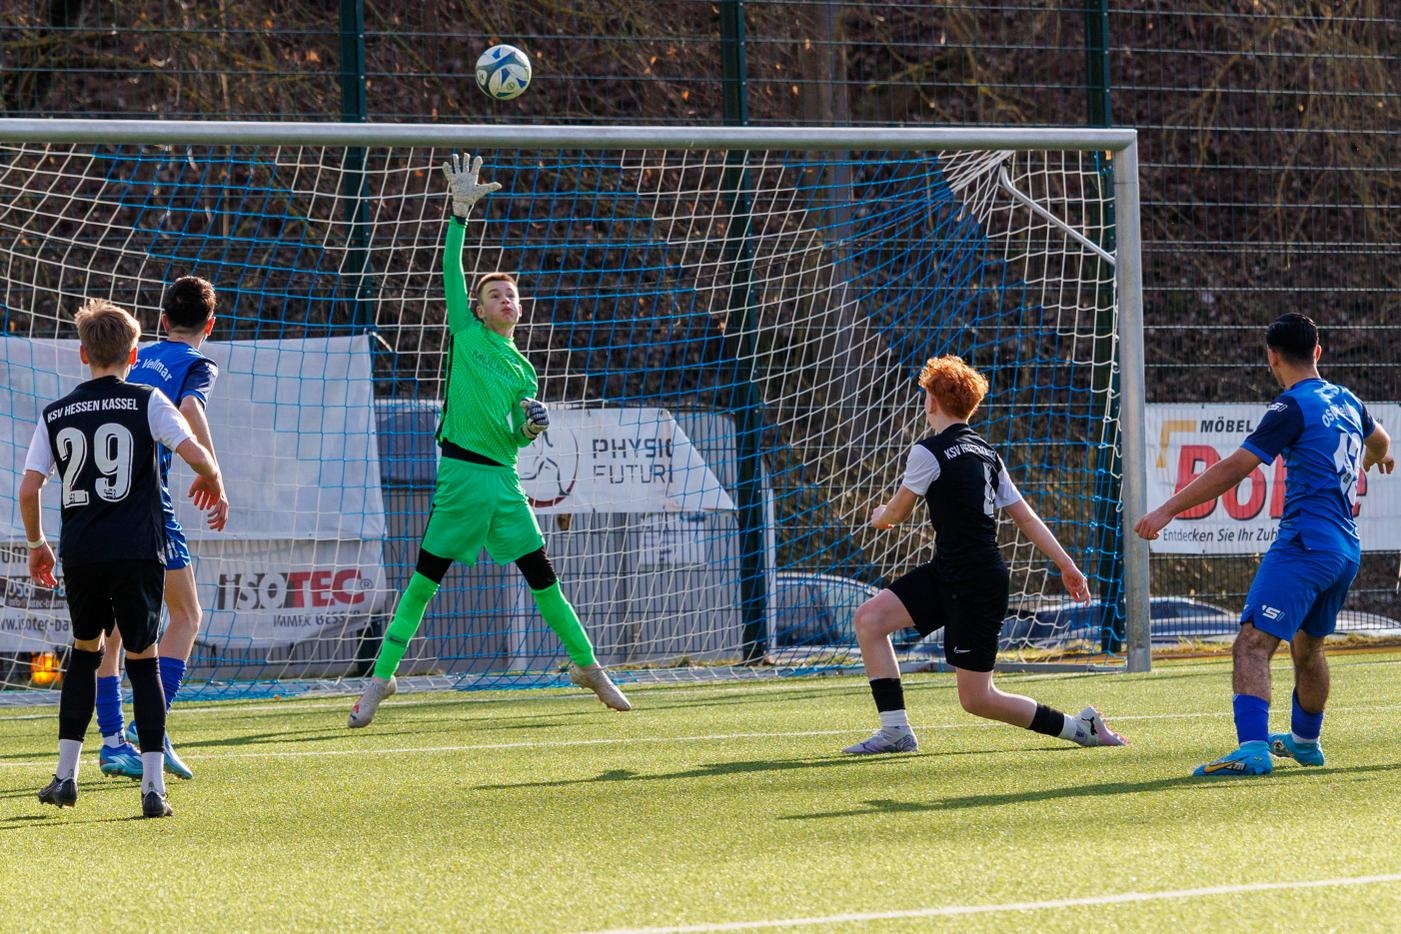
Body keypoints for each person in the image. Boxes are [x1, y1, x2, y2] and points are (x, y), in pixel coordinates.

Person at [348, 154, 630, 727]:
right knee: (422, 586)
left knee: (544, 581)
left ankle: (589, 667)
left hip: (504, 485)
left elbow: (516, 438)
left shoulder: (524, 371)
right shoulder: (466, 332)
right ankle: (382, 679)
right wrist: (459, 214)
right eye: (495, 295)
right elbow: (450, 268)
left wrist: (530, 428)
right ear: (478, 309)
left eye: (511, 295)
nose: (505, 300)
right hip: (460, 478)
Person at [1135, 312, 1392, 777]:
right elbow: (1382, 440)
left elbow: (1235, 467)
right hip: (1344, 550)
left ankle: (1252, 750)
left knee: (1252, 643)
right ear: (1318, 351)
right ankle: (1305, 743)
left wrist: (1168, 509)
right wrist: (1380, 458)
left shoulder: (1291, 406)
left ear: (1271, 356)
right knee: (1308, 648)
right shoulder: (1347, 399)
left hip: (1305, 544)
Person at [842, 354, 1126, 755]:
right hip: (951, 571)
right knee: (870, 620)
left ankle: (1081, 728)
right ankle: (895, 732)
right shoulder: (987, 453)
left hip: (974, 583)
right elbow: (1026, 518)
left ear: (931, 402)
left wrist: (879, 517)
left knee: (978, 698)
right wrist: (1067, 565)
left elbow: (898, 512)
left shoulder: (928, 451)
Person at [20, 299, 224, 818]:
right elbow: (195, 453)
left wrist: (37, 544)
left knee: (85, 653)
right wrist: (211, 477)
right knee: (143, 659)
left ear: (82, 353)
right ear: (134, 354)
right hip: (137, 549)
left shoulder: (56, 412)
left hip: (82, 552)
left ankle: (65, 776)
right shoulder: (148, 400)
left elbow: (28, 489)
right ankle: (153, 788)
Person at [91, 275, 228, 782]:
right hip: (148, 501)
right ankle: (150, 725)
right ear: (209, 326)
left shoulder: (137, 354)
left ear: (163, 319)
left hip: (97, 505)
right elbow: (189, 409)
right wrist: (211, 472)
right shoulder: (197, 363)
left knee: (111, 630)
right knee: (187, 615)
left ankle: (112, 742)